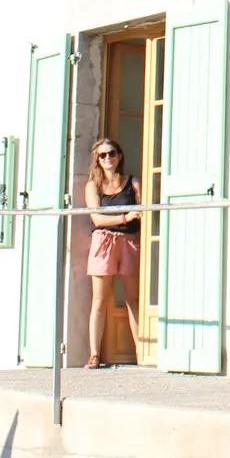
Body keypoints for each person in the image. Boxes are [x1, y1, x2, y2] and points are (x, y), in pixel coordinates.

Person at [82, 136, 142, 368]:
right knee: (99, 299)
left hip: (129, 240)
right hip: (104, 241)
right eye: (103, 155)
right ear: (97, 160)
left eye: (111, 153)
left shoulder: (132, 182)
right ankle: (95, 354)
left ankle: (141, 350)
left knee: (133, 298)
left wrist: (128, 220)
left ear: (119, 156)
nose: (108, 158)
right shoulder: (93, 186)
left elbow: (143, 208)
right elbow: (96, 218)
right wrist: (125, 217)